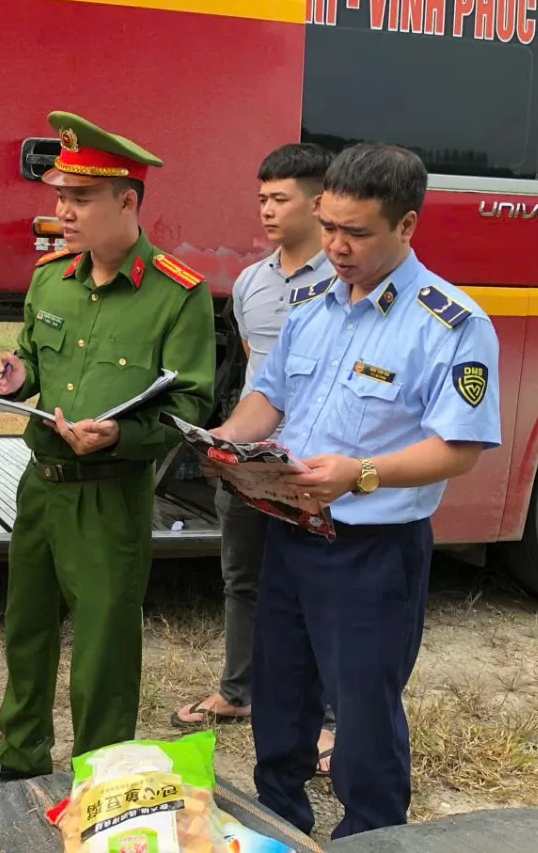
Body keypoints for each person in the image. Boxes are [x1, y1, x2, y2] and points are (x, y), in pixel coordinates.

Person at [208, 143, 501, 839]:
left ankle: (371, 832)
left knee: (363, 711)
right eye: (330, 225)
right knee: (279, 698)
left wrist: (360, 473)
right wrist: (221, 441)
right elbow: (268, 399)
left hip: (372, 549)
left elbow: (457, 448)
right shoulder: (312, 305)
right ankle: (278, 821)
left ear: (406, 227)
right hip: (290, 531)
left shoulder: (451, 324)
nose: (336, 246)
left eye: (357, 233)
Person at [0, 111, 216, 788]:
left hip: (109, 495)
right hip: (41, 483)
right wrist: (16, 376)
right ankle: (20, 756)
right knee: (26, 629)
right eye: (59, 195)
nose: (61, 210)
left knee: (103, 648)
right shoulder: (50, 277)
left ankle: (99, 779)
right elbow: (35, 360)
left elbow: (188, 409)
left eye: (79, 197)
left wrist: (122, 434)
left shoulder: (178, 297)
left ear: (127, 201)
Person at [172, 143, 339, 777]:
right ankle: (237, 692)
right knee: (242, 578)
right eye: (261, 198)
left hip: (312, 467)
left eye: (280, 199)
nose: (266, 210)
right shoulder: (250, 283)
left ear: (318, 202)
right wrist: (227, 444)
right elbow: (257, 372)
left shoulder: (344, 278)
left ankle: (327, 720)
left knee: (317, 590)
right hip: (251, 459)